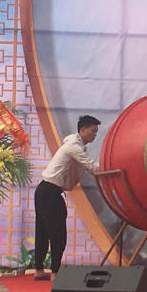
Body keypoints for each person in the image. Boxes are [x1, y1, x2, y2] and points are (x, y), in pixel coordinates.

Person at [34, 115, 100, 280]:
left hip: (45, 190)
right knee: (57, 233)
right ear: (82, 130)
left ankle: (39, 270)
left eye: (96, 132)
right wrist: (114, 165)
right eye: (93, 131)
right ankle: (55, 272)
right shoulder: (73, 147)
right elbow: (93, 168)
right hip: (49, 192)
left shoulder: (78, 146)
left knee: (44, 231)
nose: (95, 135)